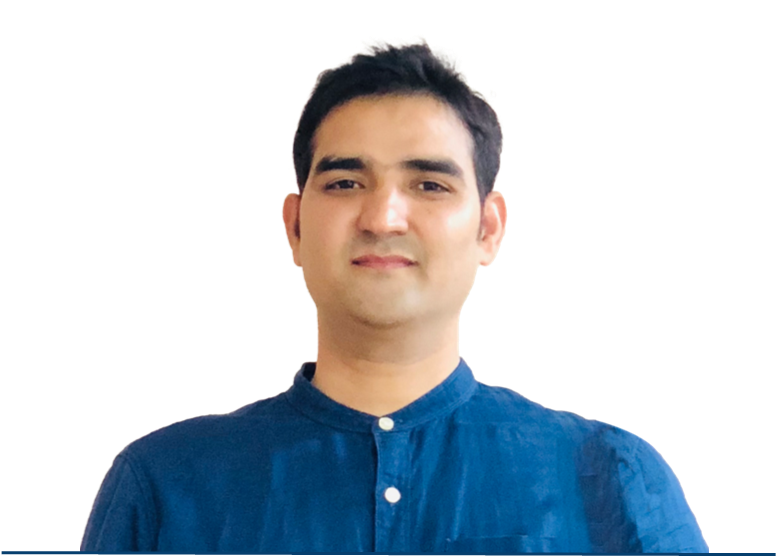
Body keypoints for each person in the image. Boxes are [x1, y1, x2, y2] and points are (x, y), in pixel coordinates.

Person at [80, 32, 708, 553]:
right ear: (294, 227)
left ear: (488, 229)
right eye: (345, 183)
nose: (383, 217)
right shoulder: (169, 484)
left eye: (430, 185)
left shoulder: (607, 477)